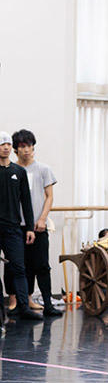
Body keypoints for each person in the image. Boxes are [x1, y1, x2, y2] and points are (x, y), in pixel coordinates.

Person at [3, 130, 60, 317]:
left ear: (33, 147)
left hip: (37, 225)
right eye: (21, 146)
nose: (26, 150)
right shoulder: (12, 169)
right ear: (15, 150)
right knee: (17, 265)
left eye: (29, 146)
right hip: (13, 225)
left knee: (42, 265)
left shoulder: (43, 169)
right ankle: (19, 302)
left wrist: (42, 219)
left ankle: (47, 302)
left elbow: (49, 197)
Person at [0, 131, 42, 321]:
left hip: (13, 228)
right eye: (2, 144)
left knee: (19, 267)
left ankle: (23, 307)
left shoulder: (19, 172)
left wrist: (31, 229)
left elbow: (26, 202)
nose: (6, 147)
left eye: (8, 144)